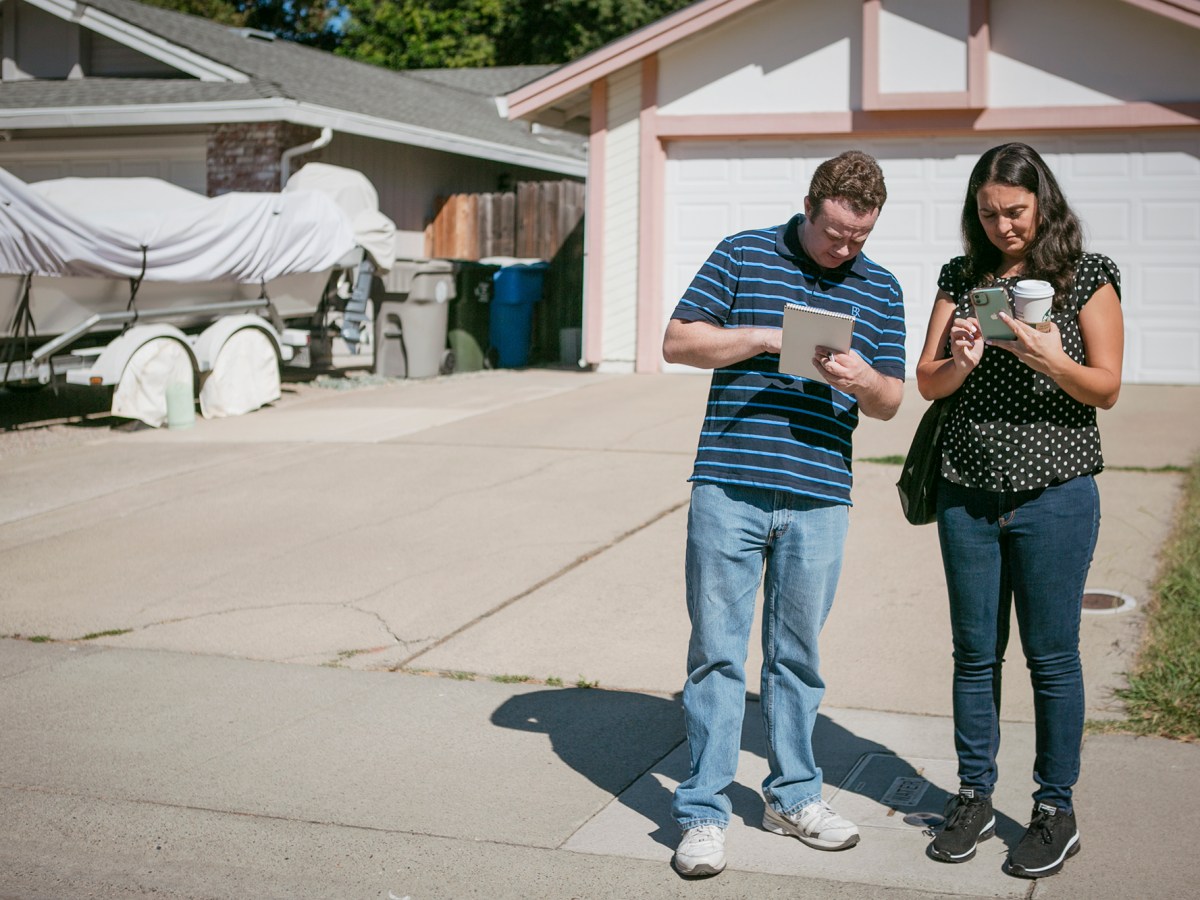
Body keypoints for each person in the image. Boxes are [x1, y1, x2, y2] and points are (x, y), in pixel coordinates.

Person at [662, 150, 907, 878]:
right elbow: (679, 341)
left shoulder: (881, 286)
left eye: (858, 237)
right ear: (810, 207)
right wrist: (769, 339)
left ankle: (793, 796)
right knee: (716, 654)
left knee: (798, 660)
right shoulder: (742, 253)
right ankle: (703, 813)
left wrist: (863, 377)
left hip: (821, 492)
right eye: (834, 232)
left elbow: (893, 401)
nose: (844, 248)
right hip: (730, 483)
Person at [915, 142, 1123, 879]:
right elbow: (928, 383)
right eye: (989, 213)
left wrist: (1046, 355)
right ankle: (973, 794)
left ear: (1044, 205)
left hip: (1056, 494)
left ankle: (1054, 808)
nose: (1004, 226)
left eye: (1016, 212)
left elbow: (1104, 388)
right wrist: (963, 357)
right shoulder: (961, 276)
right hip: (968, 494)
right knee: (974, 656)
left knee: (1052, 658)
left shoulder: (1086, 276)